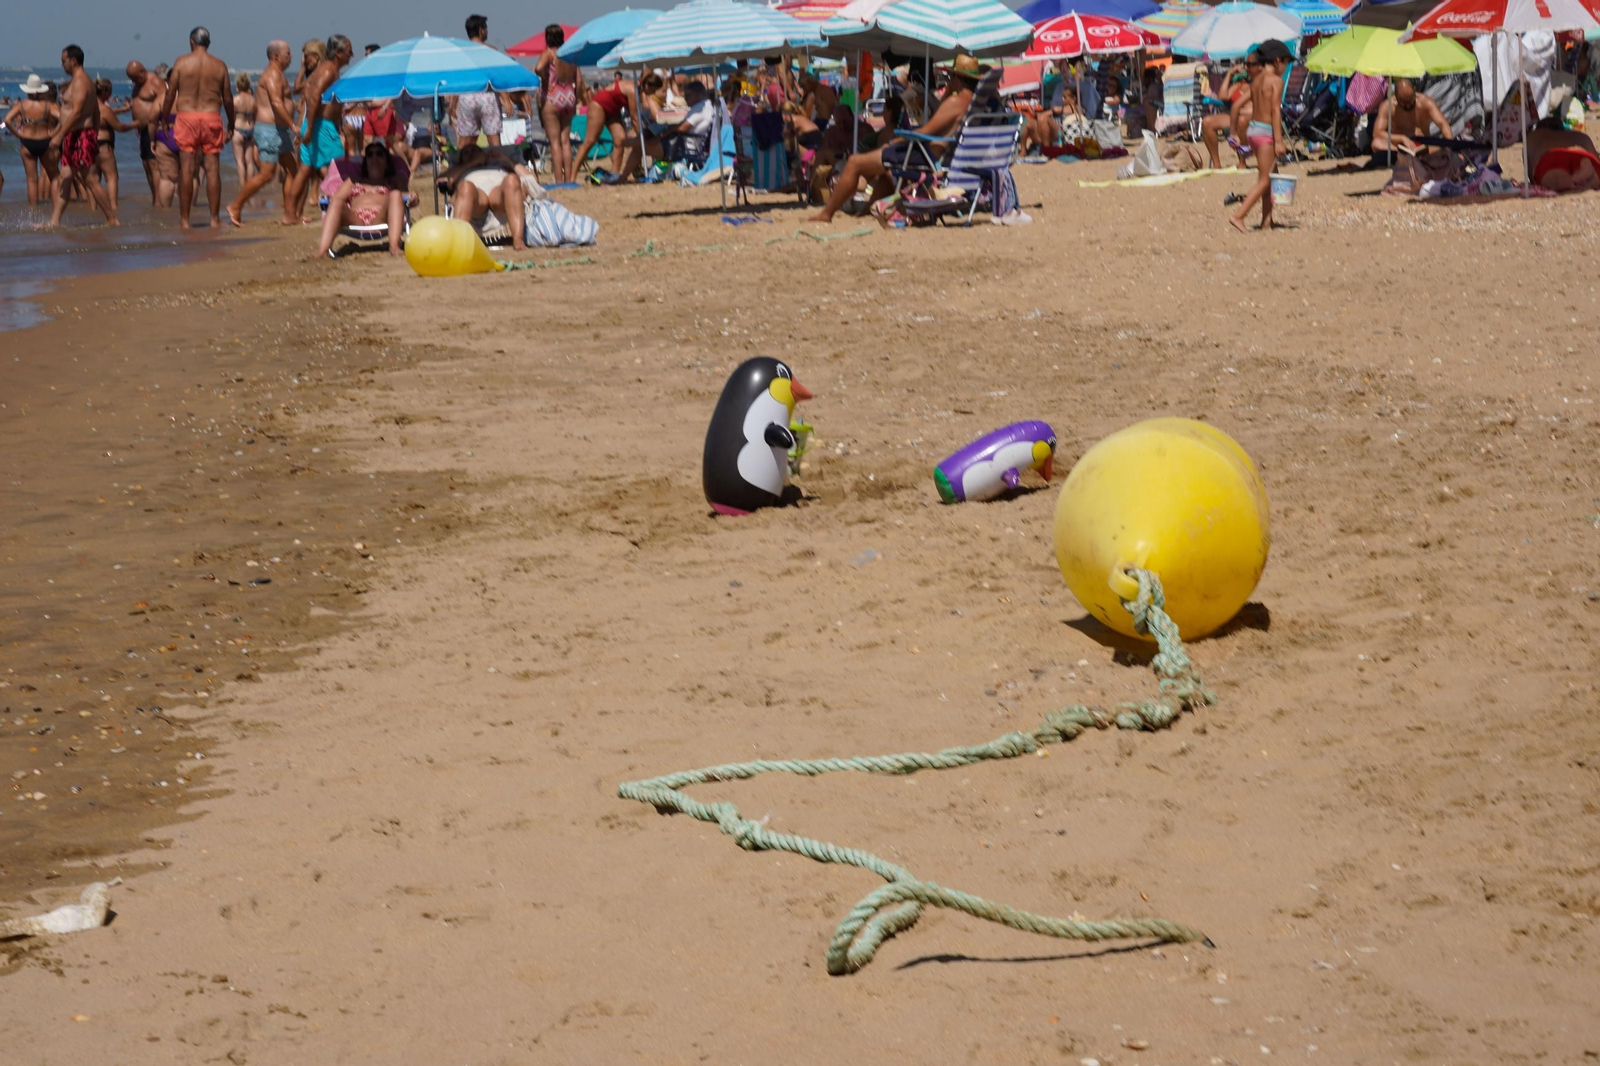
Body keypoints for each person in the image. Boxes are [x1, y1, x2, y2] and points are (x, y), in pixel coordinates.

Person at [809, 53, 984, 223]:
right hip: (937, 154)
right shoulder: (972, 103)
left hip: (923, 155)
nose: (949, 79)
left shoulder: (955, 102)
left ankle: (826, 214)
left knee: (855, 162)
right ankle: (864, 213)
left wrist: (897, 141)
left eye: (951, 75)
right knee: (885, 173)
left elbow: (925, 131)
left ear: (958, 79)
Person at [159, 27, 235, 228]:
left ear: (191, 42)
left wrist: (164, 118)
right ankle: (214, 219)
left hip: (187, 117)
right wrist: (232, 123)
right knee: (212, 170)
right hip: (211, 116)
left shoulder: (182, 63)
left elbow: (170, 93)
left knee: (186, 170)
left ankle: (184, 221)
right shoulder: (219, 66)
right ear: (208, 43)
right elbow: (227, 98)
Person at [226, 41, 300, 226]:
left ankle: (290, 215)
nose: (291, 57)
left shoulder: (279, 75)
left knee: (292, 170)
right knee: (267, 174)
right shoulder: (273, 75)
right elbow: (276, 102)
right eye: (288, 54)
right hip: (269, 130)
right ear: (276, 56)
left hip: (279, 130)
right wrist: (293, 124)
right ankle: (236, 205)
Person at [283, 34, 352, 225]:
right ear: (337, 52)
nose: (352, 54)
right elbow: (313, 97)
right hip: (321, 127)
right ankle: (342, 209)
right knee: (339, 168)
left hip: (318, 125)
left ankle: (290, 215)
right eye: (348, 50)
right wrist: (311, 128)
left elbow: (306, 90)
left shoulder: (327, 70)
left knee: (305, 170)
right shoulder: (329, 70)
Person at [47, 45, 119, 226]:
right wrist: (93, 133)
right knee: (65, 176)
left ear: (73, 60)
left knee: (89, 179)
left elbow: (78, 112)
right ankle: (54, 221)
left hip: (79, 136)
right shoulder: (80, 81)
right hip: (75, 136)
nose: (62, 64)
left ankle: (112, 219)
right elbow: (95, 111)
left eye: (63, 61)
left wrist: (59, 136)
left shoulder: (80, 82)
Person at [1229, 40, 1288, 234]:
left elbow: (1236, 106)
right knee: (1264, 180)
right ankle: (1238, 215)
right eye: (1286, 62)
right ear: (1278, 60)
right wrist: (1279, 141)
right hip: (1265, 133)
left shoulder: (1256, 81)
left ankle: (1266, 221)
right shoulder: (1276, 81)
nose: (1286, 67)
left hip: (1253, 132)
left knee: (1271, 178)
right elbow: (1274, 111)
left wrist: (1233, 133)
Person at [312, 142, 408, 258]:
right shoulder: (353, 181)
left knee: (396, 194)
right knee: (337, 202)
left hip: (381, 217)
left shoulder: (393, 181)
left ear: (387, 163)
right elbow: (336, 198)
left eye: (379, 154)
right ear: (366, 162)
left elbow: (406, 196)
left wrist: (414, 197)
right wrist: (329, 197)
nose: (374, 158)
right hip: (355, 218)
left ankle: (394, 247)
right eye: (370, 155)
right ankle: (322, 252)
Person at [441, 145, 531, 251]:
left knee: (511, 180)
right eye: (466, 152)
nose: (471, 153)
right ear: (461, 159)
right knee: (466, 186)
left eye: (474, 150)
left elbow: (531, 179)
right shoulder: (459, 170)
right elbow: (442, 181)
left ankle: (517, 239)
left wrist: (506, 160)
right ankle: (459, 243)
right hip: (476, 197)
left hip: (499, 193)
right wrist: (471, 163)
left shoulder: (499, 165)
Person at [1372, 78, 1453, 194]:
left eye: (1411, 101)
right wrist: (1402, 138)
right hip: (1401, 148)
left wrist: (1450, 145)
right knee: (1376, 144)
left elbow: (1442, 124)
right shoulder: (1388, 106)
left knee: (1441, 147)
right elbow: (1377, 133)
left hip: (1423, 147)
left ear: (1415, 92)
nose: (1408, 106)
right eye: (1403, 104)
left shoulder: (1426, 102)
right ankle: (1405, 162)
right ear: (1396, 97)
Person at [125, 61, 178, 205]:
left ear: (143, 71)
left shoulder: (154, 81)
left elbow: (167, 101)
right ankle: (155, 198)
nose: (133, 81)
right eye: (131, 78)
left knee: (154, 165)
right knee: (147, 165)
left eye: (135, 77)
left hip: (154, 128)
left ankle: (159, 202)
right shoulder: (138, 85)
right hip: (143, 131)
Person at [4, 75, 60, 207]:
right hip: (44, 140)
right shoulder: (48, 105)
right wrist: (54, 133)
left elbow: (6, 120)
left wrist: (17, 134)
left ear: (28, 91)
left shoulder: (21, 105)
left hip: (27, 142)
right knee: (55, 177)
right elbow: (64, 118)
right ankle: (57, 210)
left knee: (31, 179)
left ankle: (34, 213)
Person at [577, 75, 642, 180]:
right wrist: (643, 136)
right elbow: (634, 117)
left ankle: (614, 175)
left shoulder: (637, 90)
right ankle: (571, 177)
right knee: (589, 141)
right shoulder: (633, 89)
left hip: (613, 110)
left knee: (620, 139)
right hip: (600, 104)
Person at [454, 14, 504, 147]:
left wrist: (453, 104)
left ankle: (462, 167)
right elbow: (497, 77)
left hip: (467, 97)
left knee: (465, 142)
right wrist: (506, 99)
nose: (487, 31)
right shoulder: (491, 51)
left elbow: (458, 80)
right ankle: (498, 166)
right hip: (487, 96)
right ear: (481, 30)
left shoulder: (461, 52)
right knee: (494, 141)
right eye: (486, 28)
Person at [1527, 114, 1600, 192]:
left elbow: (1531, 174)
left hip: (1548, 159)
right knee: (1593, 175)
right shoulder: (1581, 136)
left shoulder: (1532, 137)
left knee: (1553, 177)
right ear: (1562, 129)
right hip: (1579, 154)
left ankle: (1569, 181)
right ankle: (1585, 176)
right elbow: (1597, 163)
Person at [1203, 61, 1255, 169]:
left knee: (1241, 120)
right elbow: (1222, 96)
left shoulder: (1258, 84)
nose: (1245, 67)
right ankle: (1216, 164)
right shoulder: (1239, 85)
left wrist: (1236, 112)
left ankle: (1242, 163)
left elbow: (1255, 109)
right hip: (1235, 115)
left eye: (1249, 65)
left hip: (1252, 116)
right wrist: (1229, 74)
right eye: (1245, 65)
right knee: (1207, 122)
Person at [92, 77, 134, 207]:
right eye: (110, 91)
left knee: (94, 179)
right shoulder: (105, 109)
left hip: (89, 144)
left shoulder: (88, 107)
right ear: (105, 92)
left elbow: (104, 114)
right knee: (111, 177)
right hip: (104, 145)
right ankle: (113, 207)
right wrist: (136, 124)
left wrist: (122, 110)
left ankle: (93, 209)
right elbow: (119, 127)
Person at [230, 73, 258, 190]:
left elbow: (231, 116)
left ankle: (243, 187)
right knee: (249, 161)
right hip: (250, 130)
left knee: (240, 161)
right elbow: (255, 116)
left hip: (238, 130)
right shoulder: (253, 100)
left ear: (238, 86)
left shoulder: (235, 100)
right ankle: (250, 187)